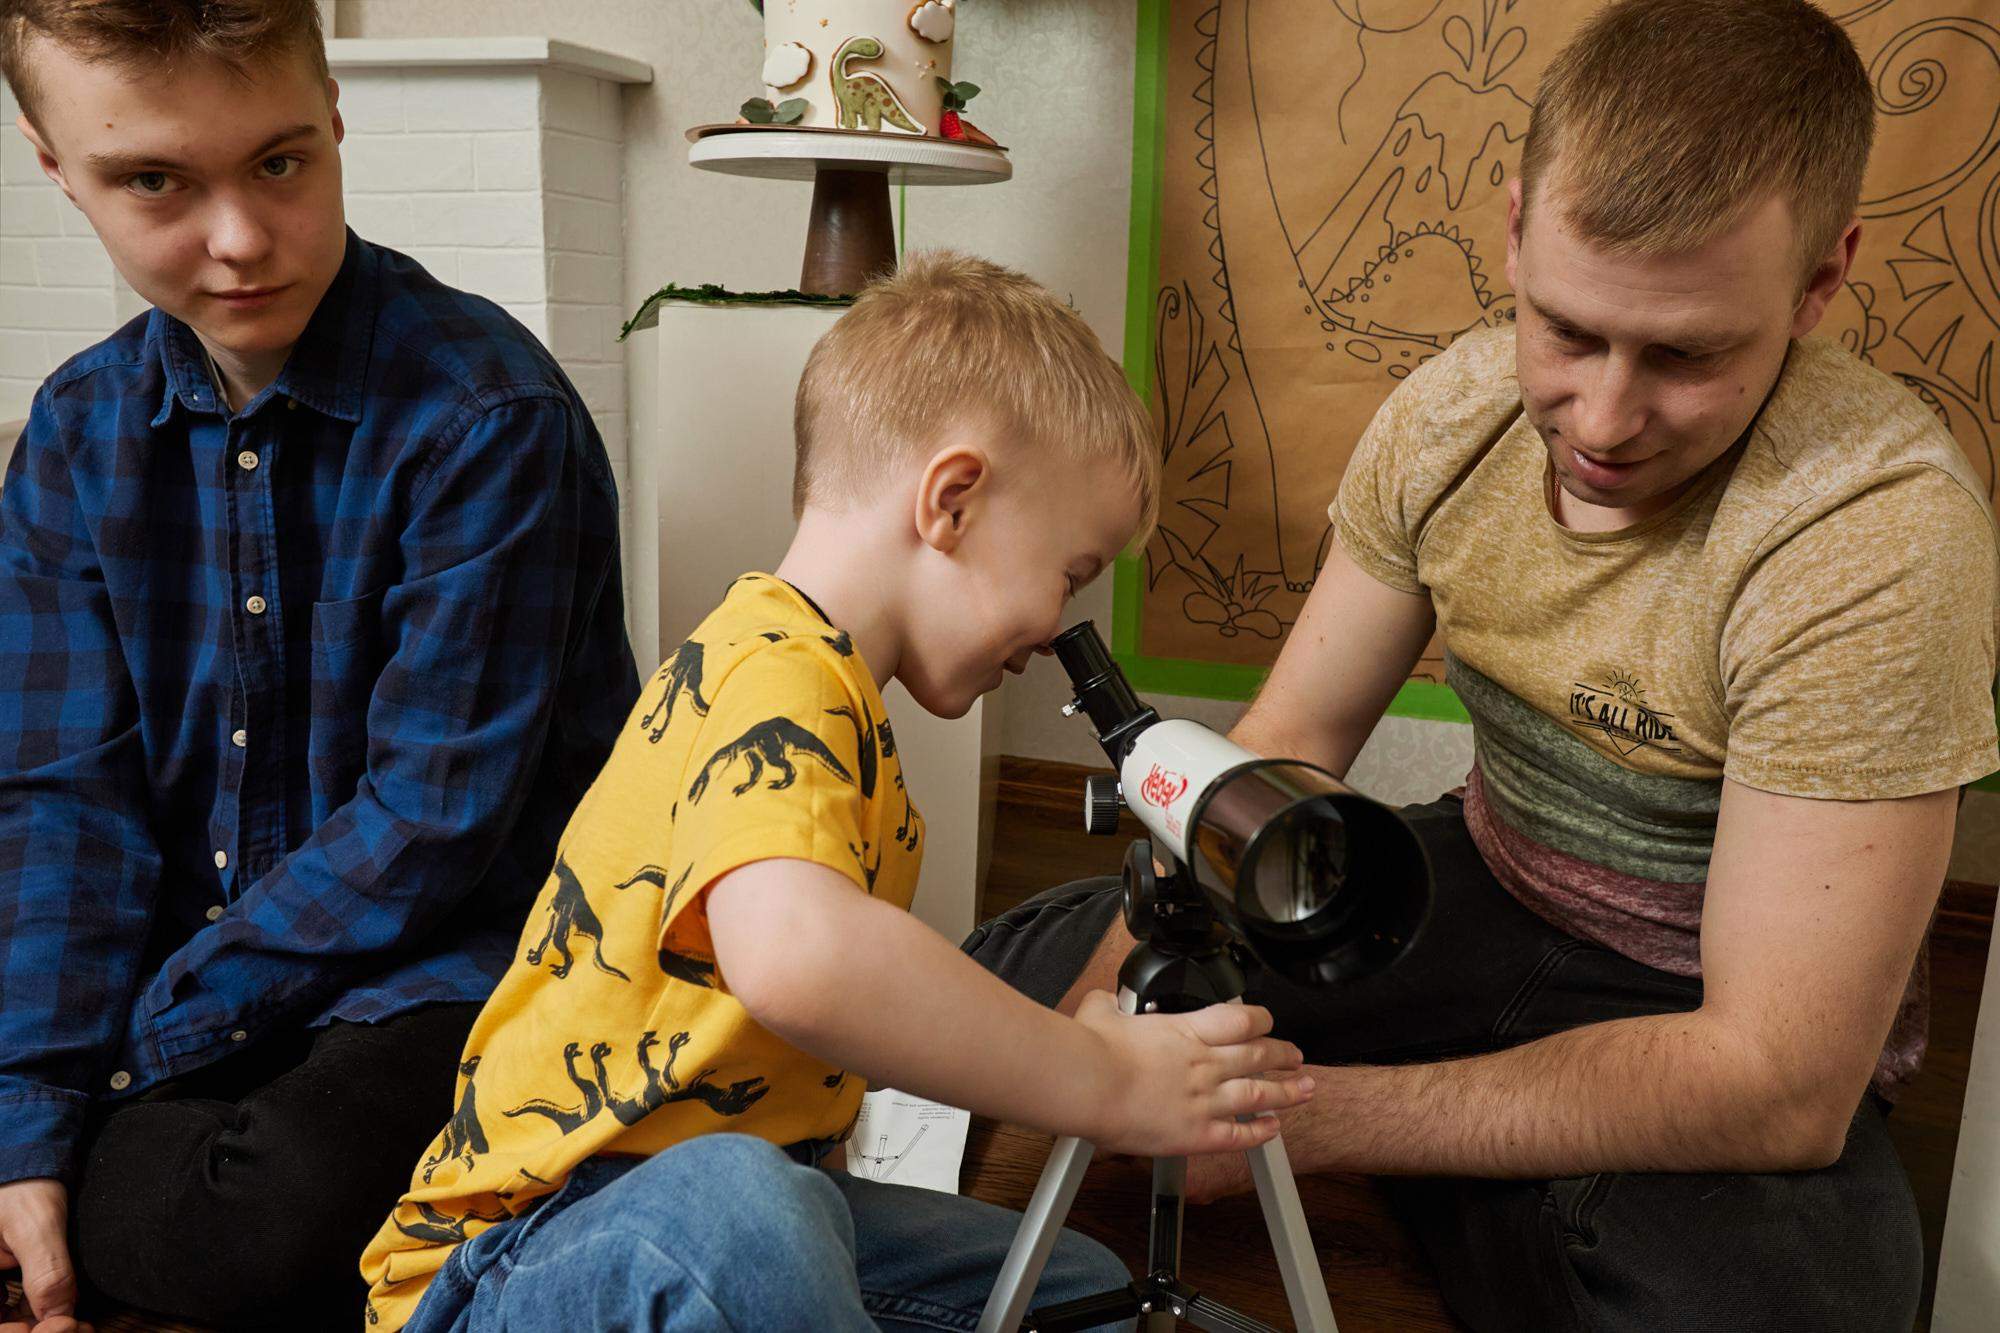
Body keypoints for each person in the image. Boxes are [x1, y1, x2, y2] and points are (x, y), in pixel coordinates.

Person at [964, 2, 2000, 1330]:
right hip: (1476, 889)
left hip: (1706, 1008)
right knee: (1024, 977)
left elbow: (1781, 1081)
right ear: (1514, 230)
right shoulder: (1450, 412)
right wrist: (1092, 1036)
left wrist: (1291, 1118)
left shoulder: (1882, 531)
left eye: (1686, 355)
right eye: (1565, 330)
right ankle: (1502, 1172)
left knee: (1783, 1303)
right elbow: (1283, 746)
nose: (1605, 420)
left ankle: (1482, 1158)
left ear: (1820, 281)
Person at [358, 250, 1315, 1333]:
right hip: (514, 1262)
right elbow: (802, 962)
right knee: (741, 1221)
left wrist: (1077, 1043)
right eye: (1069, 574)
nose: (1057, 629)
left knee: (1079, 1286)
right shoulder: (776, 671)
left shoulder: (835, 703)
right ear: (952, 501)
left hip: (765, 1192)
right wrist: (1095, 1075)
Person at [0, 2, 637, 1329]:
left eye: (280, 164)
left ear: (336, 118)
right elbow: (69, 802)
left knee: (267, 1205)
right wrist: (37, 1116)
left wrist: (133, 1060)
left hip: (448, 969)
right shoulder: (71, 434)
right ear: (54, 164)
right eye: (156, 182)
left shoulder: (489, 416)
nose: (237, 241)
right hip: (196, 974)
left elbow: (429, 828)